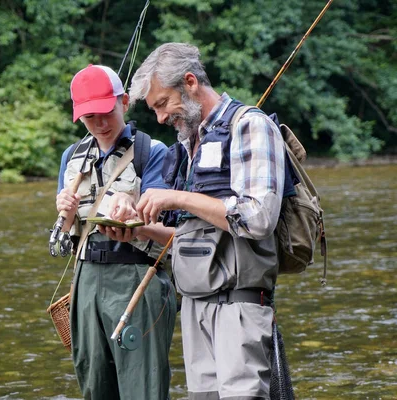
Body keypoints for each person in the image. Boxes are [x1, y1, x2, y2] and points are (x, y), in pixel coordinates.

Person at [120, 42, 292, 399]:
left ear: (190, 82)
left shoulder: (250, 126)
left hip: (239, 306)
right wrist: (133, 231)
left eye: (163, 103)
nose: (160, 118)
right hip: (194, 307)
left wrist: (177, 197)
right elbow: (187, 237)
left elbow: (258, 217)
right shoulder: (186, 147)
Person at [56, 64, 177, 400]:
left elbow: (173, 233)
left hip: (138, 277)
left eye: (106, 112)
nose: (100, 123)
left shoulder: (152, 153)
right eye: (89, 117)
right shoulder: (71, 158)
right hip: (86, 282)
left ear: (124, 101)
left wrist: (135, 216)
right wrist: (63, 215)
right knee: (94, 383)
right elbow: (65, 237)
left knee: (144, 386)